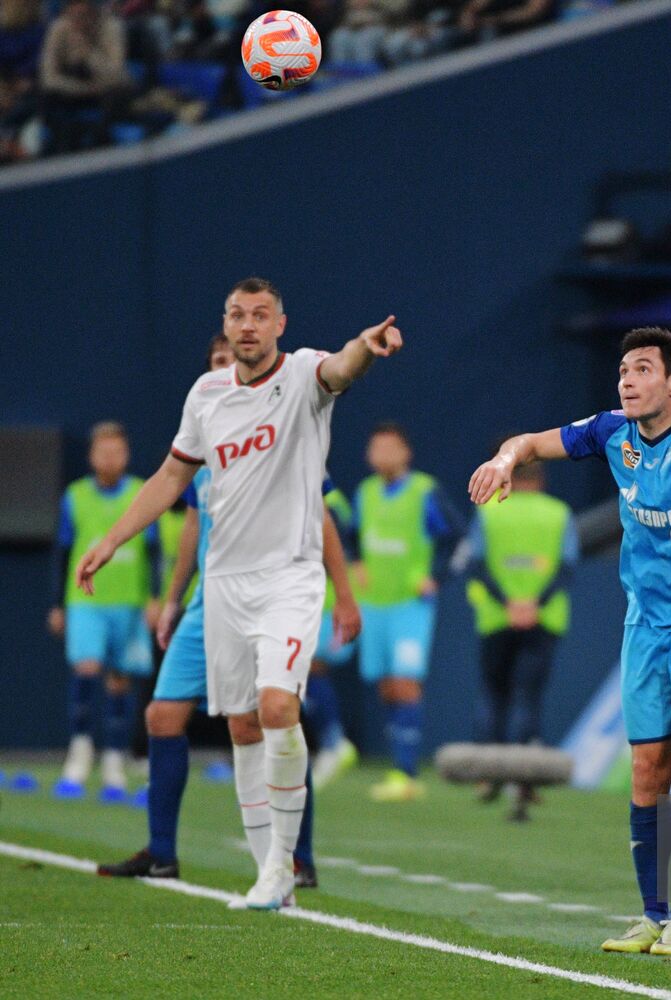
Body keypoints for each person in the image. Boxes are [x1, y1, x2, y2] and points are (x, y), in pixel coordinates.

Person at [76, 277, 402, 910]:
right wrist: (113, 539)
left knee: (279, 706)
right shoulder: (206, 395)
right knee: (243, 725)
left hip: (289, 575)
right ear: (225, 326)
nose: (247, 325)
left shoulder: (304, 376)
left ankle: (288, 861)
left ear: (280, 323)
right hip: (222, 582)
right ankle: (269, 873)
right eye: (236, 315)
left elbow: (342, 367)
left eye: (260, 315)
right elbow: (173, 477)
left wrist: (365, 345)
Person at [468, 326, 671, 958]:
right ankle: (650, 915)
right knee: (645, 769)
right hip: (646, 623)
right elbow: (529, 442)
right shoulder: (612, 431)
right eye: (623, 371)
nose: (627, 381)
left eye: (641, 370)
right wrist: (504, 459)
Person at [460, 455, 578, 820]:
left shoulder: (489, 511)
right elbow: (567, 566)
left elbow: (475, 564)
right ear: (540, 480)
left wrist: (508, 603)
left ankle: (488, 775)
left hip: (497, 617)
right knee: (529, 696)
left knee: (494, 693)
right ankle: (523, 781)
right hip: (544, 618)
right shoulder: (559, 513)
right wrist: (533, 604)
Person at [48, 420, 160, 803]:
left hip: (128, 602)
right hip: (86, 603)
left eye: (117, 451)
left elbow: (154, 550)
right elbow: (62, 552)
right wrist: (57, 605)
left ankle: (114, 758)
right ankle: (79, 753)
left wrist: (155, 597)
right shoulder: (75, 496)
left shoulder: (141, 493)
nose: (110, 458)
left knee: (119, 680)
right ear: (91, 456)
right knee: (86, 668)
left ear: (126, 454)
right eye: (103, 451)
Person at [353, 421, 462, 802]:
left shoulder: (424, 491)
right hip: (373, 602)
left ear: (405, 453)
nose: (382, 455)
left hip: (410, 605)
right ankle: (400, 763)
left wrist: (435, 576)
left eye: (389, 447)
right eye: (375, 447)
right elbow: (351, 538)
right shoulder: (364, 493)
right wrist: (355, 564)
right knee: (386, 686)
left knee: (405, 682)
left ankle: (406, 771)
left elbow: (455, 535)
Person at [305, 483, 359, 787]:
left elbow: (333, 547)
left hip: (321, 600)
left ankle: (334, 742)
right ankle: (331, 742)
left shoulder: (332, 501)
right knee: (299, 670)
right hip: (298, 597)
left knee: (312, 666)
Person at [38, 0, 131, 154]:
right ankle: (62, 142)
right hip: (76, 88)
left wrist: (88, 53)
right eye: (73, 16)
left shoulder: (112, 27)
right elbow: (49, 78)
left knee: (118, 94)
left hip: (107, 88)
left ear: (94, 13)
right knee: (44, 96)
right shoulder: (59, 28)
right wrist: (84, 89)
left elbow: (117, 75)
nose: (78, 21)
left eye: (84, 15)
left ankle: (100, 140)